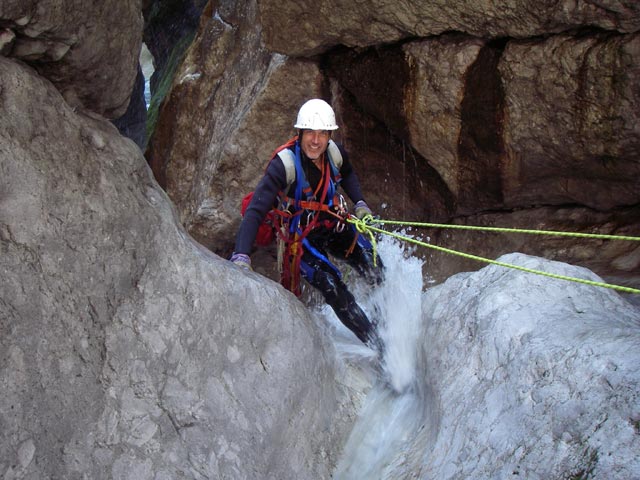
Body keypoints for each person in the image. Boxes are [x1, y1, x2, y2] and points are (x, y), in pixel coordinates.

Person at [230, 98, 384, 348]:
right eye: (310, 132)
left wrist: (361, 204)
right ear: (300, 133)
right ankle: (379, 346)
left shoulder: (334, 153)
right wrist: (241, 257)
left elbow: (348, 174)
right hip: (300, 237)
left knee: (373, 263)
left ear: (329, 134)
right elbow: (256, 211)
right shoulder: (284, 165)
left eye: (322, 133)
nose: (316, 140)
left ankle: (386, 320)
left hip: (332, 223)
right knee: (332, 286)